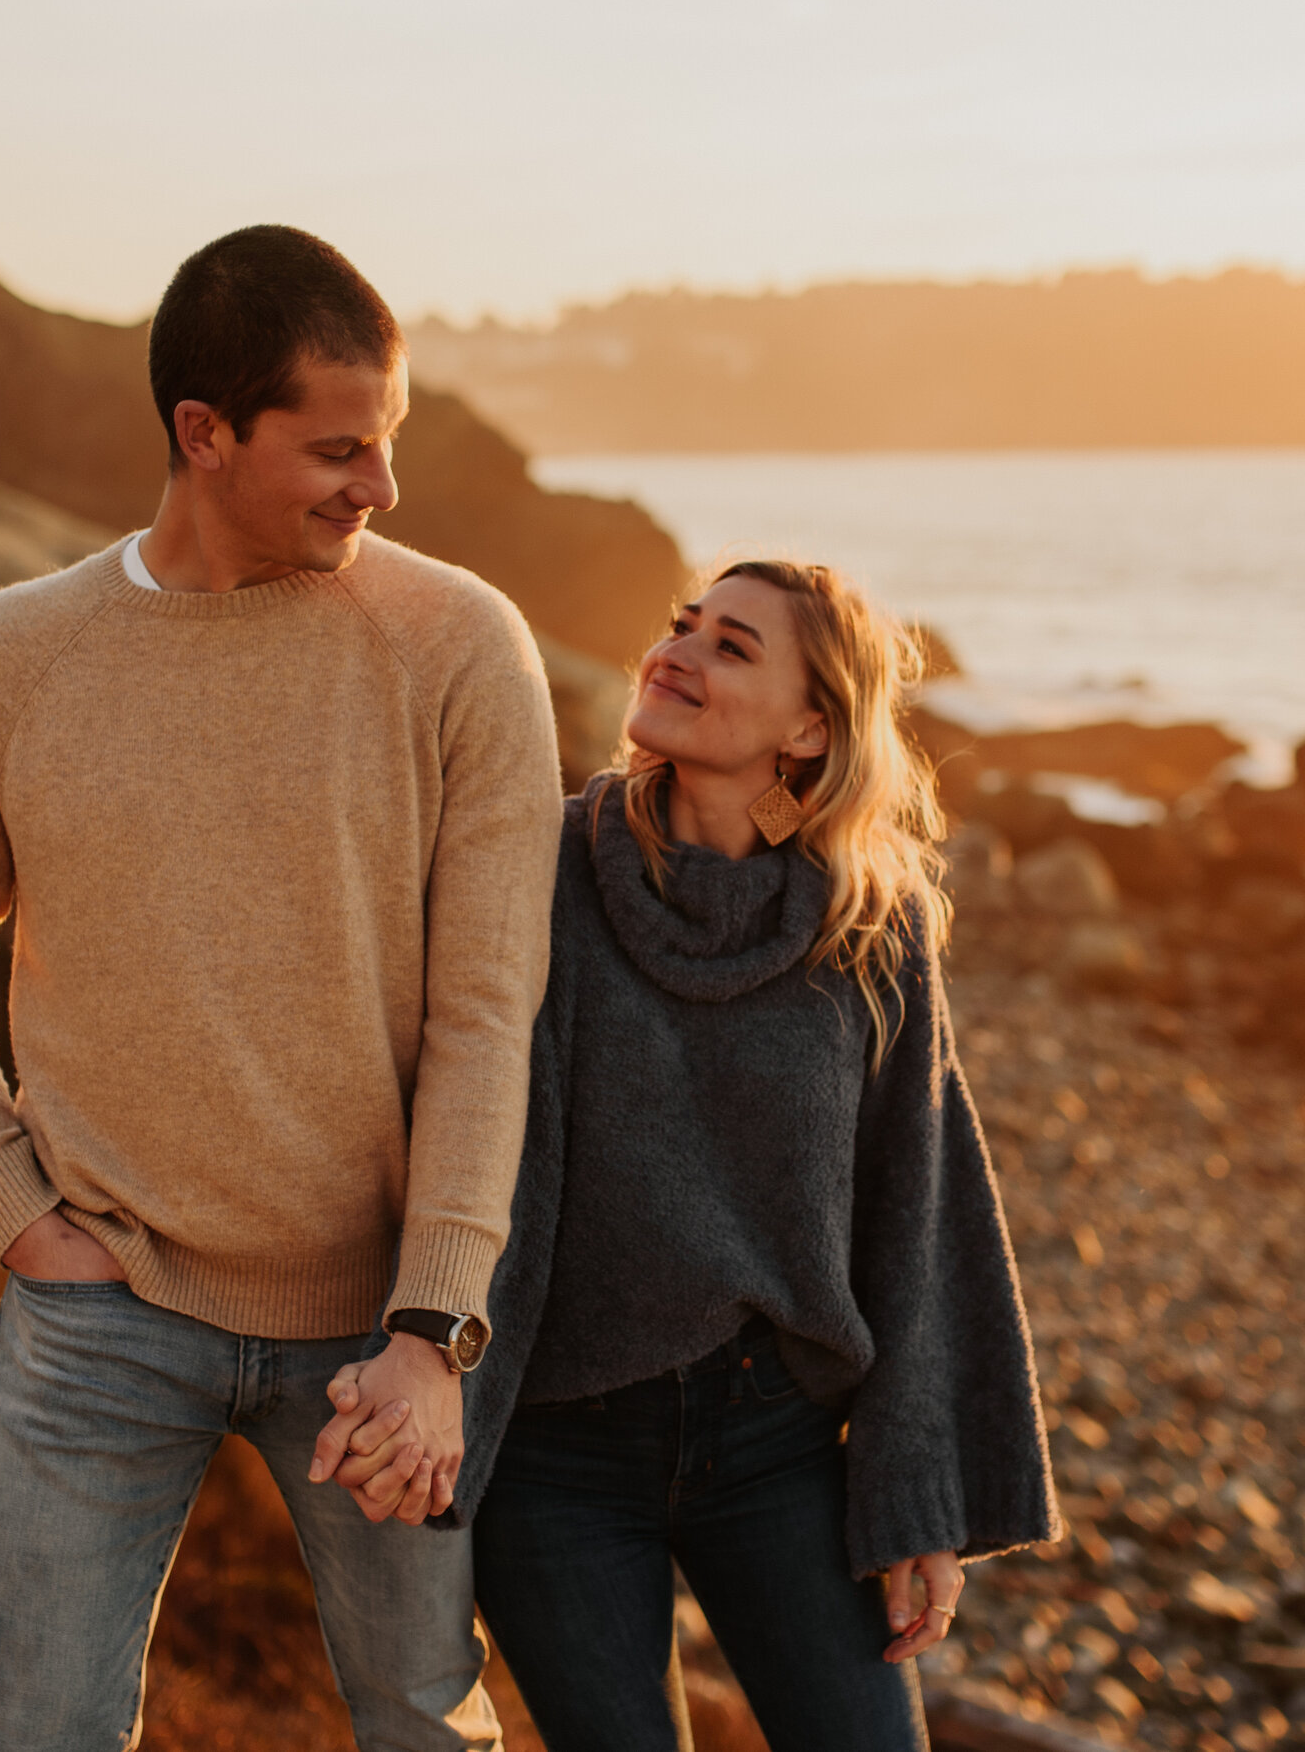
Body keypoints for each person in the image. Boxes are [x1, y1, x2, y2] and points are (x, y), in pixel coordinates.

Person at [0, 225, 563, 1752]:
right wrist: (18, 1216)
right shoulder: (11, 656)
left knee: (430, 1727)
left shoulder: (461, 648)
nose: (381, 487)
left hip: (379, 1333)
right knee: (32, 1729)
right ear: (205, 434)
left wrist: (435, 1324)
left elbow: (486, 1014)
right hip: (103, 1307)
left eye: (389, 441)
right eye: (338, 448)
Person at [328, 559, 1058, 1751]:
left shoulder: (871, 921)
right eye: (681, 626)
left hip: (773, 1445)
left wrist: (914, 1492)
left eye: (732, 646)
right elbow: (433, 1089)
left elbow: (917, 1203)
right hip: (559, 1450)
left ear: (811, 725)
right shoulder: (542, 864)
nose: (677, 652)